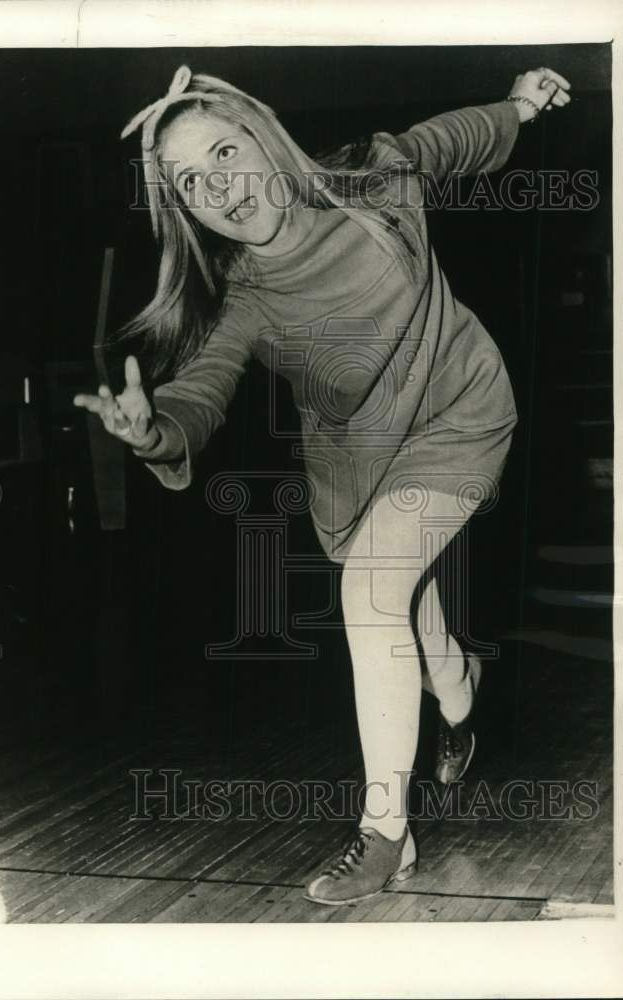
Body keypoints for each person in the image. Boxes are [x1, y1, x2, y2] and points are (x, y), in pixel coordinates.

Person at [74, 64, 571, 906]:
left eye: (226, 153)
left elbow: (461, 138)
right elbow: (201, 389)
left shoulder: (376, 176)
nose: (219, 187)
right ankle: (459, 692)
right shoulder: (239, 294)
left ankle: (386, 834)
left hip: (455, 412)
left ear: (266, 141)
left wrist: (519, 105)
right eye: (191, 181)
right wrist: (153, 429)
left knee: (374, 593)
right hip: (356, 457)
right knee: (406, 612)